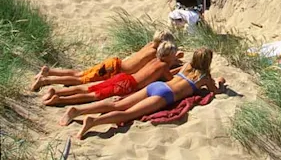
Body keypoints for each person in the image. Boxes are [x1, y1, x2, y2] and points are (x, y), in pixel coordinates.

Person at [74, 48, 224, 139]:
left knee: (118, 104)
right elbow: (215, 90)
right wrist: (220, 81)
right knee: (128, 114)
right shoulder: (205, 77)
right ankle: (93, 122)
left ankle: (79, 110)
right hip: (165, 95)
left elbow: (173, 72)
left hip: (157, 85)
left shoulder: (187, 66)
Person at [44, 41, 180, 110]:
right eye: (173, 55)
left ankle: (58, 91)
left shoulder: (154, 60)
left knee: (89, 88)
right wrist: (180, 68)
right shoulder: (163, 67)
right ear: (169, 56)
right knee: (93, 96)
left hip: (123, 77)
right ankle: (59, 99)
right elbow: (170, 80)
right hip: (128, 85)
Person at [31, 31, 174, 91]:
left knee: (80, 74)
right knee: (81, 80)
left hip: (114, 62)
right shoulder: (154, 53)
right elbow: (160, 64)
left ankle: (50, 71)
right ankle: (45, 81)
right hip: (114, 69)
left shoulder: (149, 45)